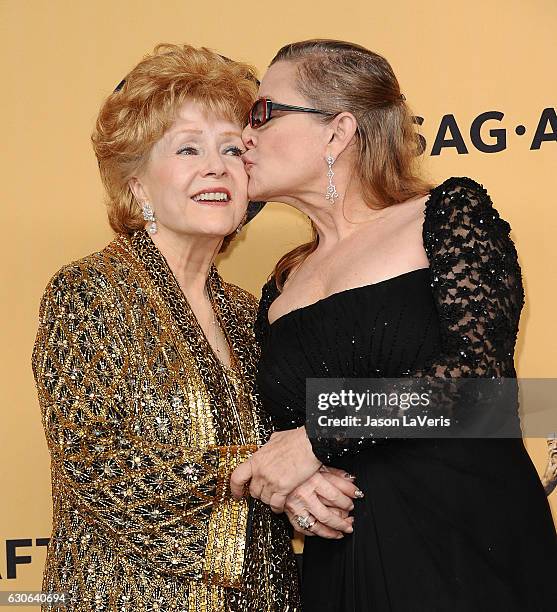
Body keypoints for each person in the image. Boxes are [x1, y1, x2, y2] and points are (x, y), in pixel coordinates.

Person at [231, 39, 557, 610]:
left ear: (338, 131)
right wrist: (298, 489)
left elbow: (477, 385)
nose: (245, 136)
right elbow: (278, 440)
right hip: (343, 569)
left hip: (467, 550)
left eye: (263, 113)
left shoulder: (447, 215)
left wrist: (317, 435)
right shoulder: (280, 286)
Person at [31, 43, 311, 611]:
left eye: (233, 149)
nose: (217, 166)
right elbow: (99, 465)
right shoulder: (90, 291)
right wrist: (252, 471)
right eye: (188, 149)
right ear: (137, 185)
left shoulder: (246, 311)